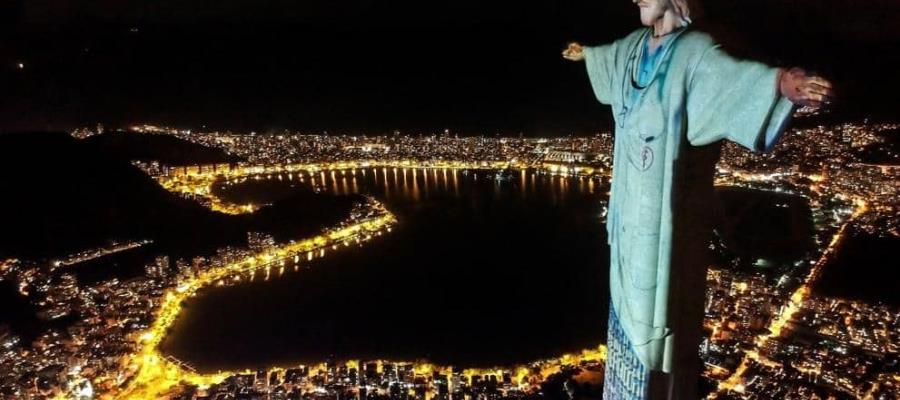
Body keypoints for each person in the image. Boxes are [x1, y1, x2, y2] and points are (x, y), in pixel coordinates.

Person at [562, 1, 833, 399]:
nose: (636, 0)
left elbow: (732, 79)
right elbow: (611, 56)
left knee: (653, 302)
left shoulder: (693, 51)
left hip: (660, 199)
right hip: (626, 202)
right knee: (622, 293)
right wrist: (587, 54)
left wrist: (783, 85)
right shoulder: (635, 45)